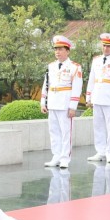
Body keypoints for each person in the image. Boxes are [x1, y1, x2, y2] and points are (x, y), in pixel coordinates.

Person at [41, 35, 82, 169]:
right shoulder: (51, 66)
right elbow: (46, 84)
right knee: (54, 131)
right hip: (53, 102)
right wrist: (43, 102)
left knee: (66, 132)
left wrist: (73, 106)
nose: (57, 52)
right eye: (56, 49)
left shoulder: (74, 67)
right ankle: (56, 155)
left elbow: (77, 87)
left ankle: (65, 158)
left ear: (67, 51)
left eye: (60, 49)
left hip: (65, 103)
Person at [85, 33, 110, 163]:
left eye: (109, 46)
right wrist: (89, 96)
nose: (106, 49)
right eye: (104, 46)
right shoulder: (96, 60)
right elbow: (92, 79)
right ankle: (100, 151)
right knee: (98, 125)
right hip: (97, 96)